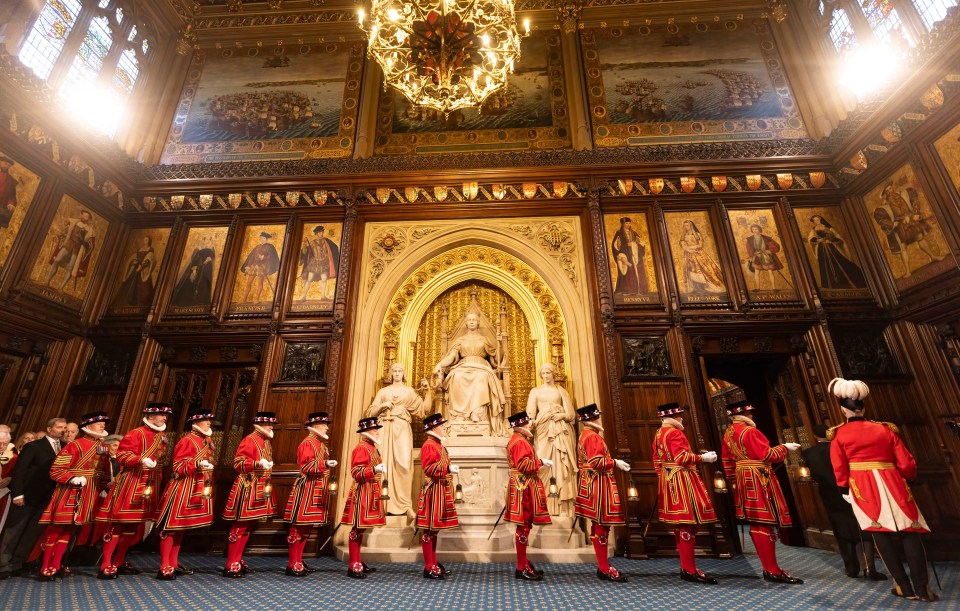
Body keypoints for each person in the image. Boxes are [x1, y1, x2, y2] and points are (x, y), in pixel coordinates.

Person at [828, 377, 936, 602]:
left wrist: (843, 489)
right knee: (910, 533)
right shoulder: (885, 429)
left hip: (863, 487)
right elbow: (906, 463)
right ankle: (923, 588)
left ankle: (904, 588)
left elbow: (839, 466)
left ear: (842, 411)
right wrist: (908, 477)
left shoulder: (839, 435)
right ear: (863, 407)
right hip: (893, 482)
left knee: (880, 536)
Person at [721, 400, 803, 584]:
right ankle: (772, 569)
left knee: (756, 524)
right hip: (759, 478)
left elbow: (726, 460)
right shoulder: (750, 431)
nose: (752, 416)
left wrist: (735, 481)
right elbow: (766, 455)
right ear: (745, 415)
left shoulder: (728, 433)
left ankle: (769, 568)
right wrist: (785, 449)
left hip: (743, 478)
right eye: (750, 413)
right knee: (765, 523)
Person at [97, 403, 172, 579]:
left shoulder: (163, 437)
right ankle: (106, 563)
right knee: (118, 523)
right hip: (132, 482)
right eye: (161, 414)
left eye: (166, 415)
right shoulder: (135, 433)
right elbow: (122, 455)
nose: (165, 417)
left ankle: (119, 561)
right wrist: (141, 460)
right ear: (151, 416)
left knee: (133, 526)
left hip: (150, 484)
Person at [803, 423, 885, 580]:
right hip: (851, 490)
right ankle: (869, 568)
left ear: (814, 436)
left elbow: (814, 476)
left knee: (841, 531)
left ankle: (851, 568)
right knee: (862, 528)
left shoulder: (808, 453)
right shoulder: (841, 448)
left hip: (829, 496)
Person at [37, 411, 110, 581]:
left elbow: (103, 472)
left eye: (104, 423)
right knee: (57, 529)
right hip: (70, 492)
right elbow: (56, 470)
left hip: (88, 494)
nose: (103, 425)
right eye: (99, 422)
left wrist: (105, 484)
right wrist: (72, 478)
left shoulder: (103, 447)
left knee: (70, 531)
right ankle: (45, 566)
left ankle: (57, 564)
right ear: (88, 426)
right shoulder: (75, 445)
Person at [652, 403, 719, 584]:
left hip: (670, 480)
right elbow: (681, 458)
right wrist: (702, 458)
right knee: (687, 524)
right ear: (674, 417)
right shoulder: (674, 433)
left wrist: (665, 478)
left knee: (681, 525)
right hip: (682, 480)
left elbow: (657, 461)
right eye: (680, 415)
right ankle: (689, 569)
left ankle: (686, 566)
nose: (682, 418)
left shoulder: (659, 434)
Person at [155, 408, 217, 580]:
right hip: (181, 487)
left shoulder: (207, 441)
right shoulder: (187, 440)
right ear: (196, 423)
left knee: (180, 528)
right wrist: (198, 464)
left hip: (195, 487)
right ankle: (164, 564)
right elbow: (178, 467)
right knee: (170, 527)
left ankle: (173, 562)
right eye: (206, 420)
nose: (209, 423)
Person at [0, 418, 66, 579]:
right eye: (59, 427)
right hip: (26, 496)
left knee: (32, 532)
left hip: (48, 498)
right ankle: (3, 565)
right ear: (49, 429)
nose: (63, 430)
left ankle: (17, 564)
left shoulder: (65, 448)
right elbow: (20, 471)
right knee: (13, 531)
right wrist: (17, 493)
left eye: (64, 427)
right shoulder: (33, 446)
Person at [365, 363, 429, 518]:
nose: (397, 373)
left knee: (404, 464)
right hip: (384, 428)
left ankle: (404, 504)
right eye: (394, 371)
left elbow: (424, 411)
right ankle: (381, 505)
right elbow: (369, 413)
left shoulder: (409, 392)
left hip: (401, 429)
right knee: (383, 464)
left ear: (404, 373)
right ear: (391, 373)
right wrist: (382, 406)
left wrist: (428, 392)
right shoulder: (383, 392)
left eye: (400, 371)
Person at [574, 404, 629, 583]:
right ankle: (604, 568)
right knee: (602, 526)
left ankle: (603, 566)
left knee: (598, 526)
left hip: (590, 484)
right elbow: (597, 461)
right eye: (598, 416)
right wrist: (615, 462)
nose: (601, 418)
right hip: (598, 485)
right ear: (593, 418)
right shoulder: (592, 437)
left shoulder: (585, 435)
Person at [433, 310, 508, 436]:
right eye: (469, 320)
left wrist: (500, 342)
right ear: (466, 323)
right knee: (457, 376)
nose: (471, 322)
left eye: (474, 320)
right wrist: (440, 364)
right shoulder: (460, 340)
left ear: (478, 322)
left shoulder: (484, 339)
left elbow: (497, 359)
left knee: (481, 377)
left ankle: (477, 412)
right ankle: (460, 415)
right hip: (463, 366)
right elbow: (452, 356)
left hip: (481, 366)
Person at [222, 411, 277, 578]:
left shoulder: (266, 442)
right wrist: (257, 463)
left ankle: (238, 559)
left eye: (272, 424)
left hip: (260, 486)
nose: (271, 427)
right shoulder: (249, 439)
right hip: (248, 485)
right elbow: (238, 463)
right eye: (268, 424)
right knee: (240, 525)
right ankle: (231, 562)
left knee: (249, 526)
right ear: (259, 425)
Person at [283, 412, 337, 577]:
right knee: (299, 526)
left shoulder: (320, 444)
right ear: (315, 427)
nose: (327, 427)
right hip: (307, 487)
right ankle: (292, 562)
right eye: (324, 424)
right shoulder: (308, 443)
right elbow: (306, 466)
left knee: (307, 527)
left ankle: (299, 559)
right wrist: (325, 463)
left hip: (316, 487)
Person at [505, 410, 552, 581]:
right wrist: (541, 462)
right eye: (528, 422)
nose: (531, 424)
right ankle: (520, 567)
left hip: (523, 486)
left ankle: (524, 563)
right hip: (523, 487)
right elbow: (524, 465)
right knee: (523, 526)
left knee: (525, 526)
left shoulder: (519, 440)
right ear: (521, 425)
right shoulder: (519, 442)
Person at [526, 363, 577, 517]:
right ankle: (543, 504)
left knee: (560, 465)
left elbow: (571, 415)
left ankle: (561, 506)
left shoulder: (561, 391)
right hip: (543, 431)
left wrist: (562, 415)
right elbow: (530, 412)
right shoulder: (535, 391)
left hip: (560, 430)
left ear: (554, 374)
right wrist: (531, 421)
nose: (546, 375)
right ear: (541, 375)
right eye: (544, 373)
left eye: (549, 372)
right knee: (543, 463)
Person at [341, 417, 387, 579]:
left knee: (361, 529)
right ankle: (353, 564)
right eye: (374, 429)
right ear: (366, 431)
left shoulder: (372, 447)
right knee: (357, 528)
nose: (377, 431)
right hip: (362, 492)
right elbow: (356, 473)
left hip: (371, 491)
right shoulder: (362, 448)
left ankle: (358, 560)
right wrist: (374, 469)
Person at [416, 413, 459, 580]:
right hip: (433, 490)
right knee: (429, 530)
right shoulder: (429, 445)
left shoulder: (438, 444)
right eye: (442, 426)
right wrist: (447, 470)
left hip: (440, 489)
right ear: (434, 428)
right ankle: (429, 566)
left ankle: (433, 563)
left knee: (434, 531)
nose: (444, 428)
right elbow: (428, 469)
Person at [806, 216, 867, 289]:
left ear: (821, 220)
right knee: (825, 266)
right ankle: (830, 285)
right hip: (822, 250)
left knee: (840, 262)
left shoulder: (827, 227)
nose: (816, 221)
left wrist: (830, 240)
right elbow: (811, 239)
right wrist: (819, 240)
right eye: (814, 220)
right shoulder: (813, 230)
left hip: (832, 248)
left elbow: (837, 238)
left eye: (817, 220)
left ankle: (849, 282)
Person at [44, 209, 96, 292]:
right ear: (81, 215)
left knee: (70, 268)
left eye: (87, 217)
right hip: (69, 243)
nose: (85, 218)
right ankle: (46, 281)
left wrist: (84, 244)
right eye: (84, 215)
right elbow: (63, 231)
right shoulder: (72, 222)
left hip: (77, 249)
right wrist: (59, 235)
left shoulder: (90, 231)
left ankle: (61, 288)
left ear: (88, 219)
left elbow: (91, 246)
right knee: (57, 260)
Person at [678, 220, 725, 294]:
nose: (686, 227)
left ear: (691, 226)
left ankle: (710, 285)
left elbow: (700, 244)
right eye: (684, 225)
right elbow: (682, 244)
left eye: (687, 225)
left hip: (699, 254)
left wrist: (693, 248)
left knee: (704, 269)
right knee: (691, 269)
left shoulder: (697, 234)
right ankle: (697, 288)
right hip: (689, 255)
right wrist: (688, 249)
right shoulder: (683, 235)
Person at [171, 234, 216, 307]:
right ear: (203, 240)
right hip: (197, 267)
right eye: (206, 239)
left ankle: (201, 302)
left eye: (209, 239)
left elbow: (212, 257)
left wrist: (209, 259)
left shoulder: (211, 248)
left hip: (206, 269)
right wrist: (194, 269)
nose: (207, 241)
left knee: (203, 284)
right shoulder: (198, 248)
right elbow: (194, 259)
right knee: (191, 283)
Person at [112, 235, 157, 308]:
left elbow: (150, 259)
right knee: (129, 285)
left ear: (149, 241)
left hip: (143, 271)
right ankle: (129, 301)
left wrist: (141, 266)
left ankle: (141, 306)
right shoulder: (140, 249)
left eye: (146, 240)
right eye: (144, 240)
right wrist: (134, 262)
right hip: (135, 269)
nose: (145, 241)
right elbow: (133, 257)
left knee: (144, 290)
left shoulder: (150, 250)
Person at [298, 225, 339, 301]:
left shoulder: (327, 241)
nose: (321, 234)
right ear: (316, 234)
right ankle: (304, 296)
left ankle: (323, 296)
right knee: (309, 278)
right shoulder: (312, 243)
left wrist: (329, 255)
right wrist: (305, 244)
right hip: (314, 262)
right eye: (319, 232)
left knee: (324, 279)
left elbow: (335, 248)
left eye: (322, 232)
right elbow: (305, 252)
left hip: (324, 262)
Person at [239, 232, 281, 303]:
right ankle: (244, 299)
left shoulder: (269, 247)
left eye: (263, 238)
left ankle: (257, 299)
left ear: (266, 239)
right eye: (261, 238)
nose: (262, 239)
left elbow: (271, 257)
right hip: (254, 266)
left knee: (260, 282)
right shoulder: (257, 247)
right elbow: (252, 257)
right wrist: (248, 266)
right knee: (249, 282)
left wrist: (263, 257)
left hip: (262, 266)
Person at [611, 216, 649, 295]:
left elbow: (640, 243)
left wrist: (635, 244)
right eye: (626, 223)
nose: (628, 225)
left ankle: (639, 289)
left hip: (635, 255)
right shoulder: (619, 233)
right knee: (627, 272)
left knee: (638, 271)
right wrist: (624, 247)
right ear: (623, 224)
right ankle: (627, 290)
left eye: (629, 223)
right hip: (626, 255)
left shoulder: (634, 233)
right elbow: (616, 246)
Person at [743, 224, 785, 291]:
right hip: (757, 256)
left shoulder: (766, 238)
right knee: (757, 272)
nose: (754, 231)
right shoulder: (750, 239)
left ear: (759, 229)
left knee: (770, 272)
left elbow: (776, 245)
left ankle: (774, 288)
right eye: (753, 229)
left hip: (766, 256)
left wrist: (770, 250)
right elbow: (749, 248)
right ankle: (757, 288)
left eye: (756, 229)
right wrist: (752, 255)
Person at [0, 427, 17, 536]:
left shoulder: (13, 458)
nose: (1, 447)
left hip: (2, 496)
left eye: (5, 444)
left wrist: (11, 478)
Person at [0, 155, 19, 228]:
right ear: (0, 162)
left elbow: (12, 195)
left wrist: (11, 203)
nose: (7, 166)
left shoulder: (10, 181)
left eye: (9, 165)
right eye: (5, 163)